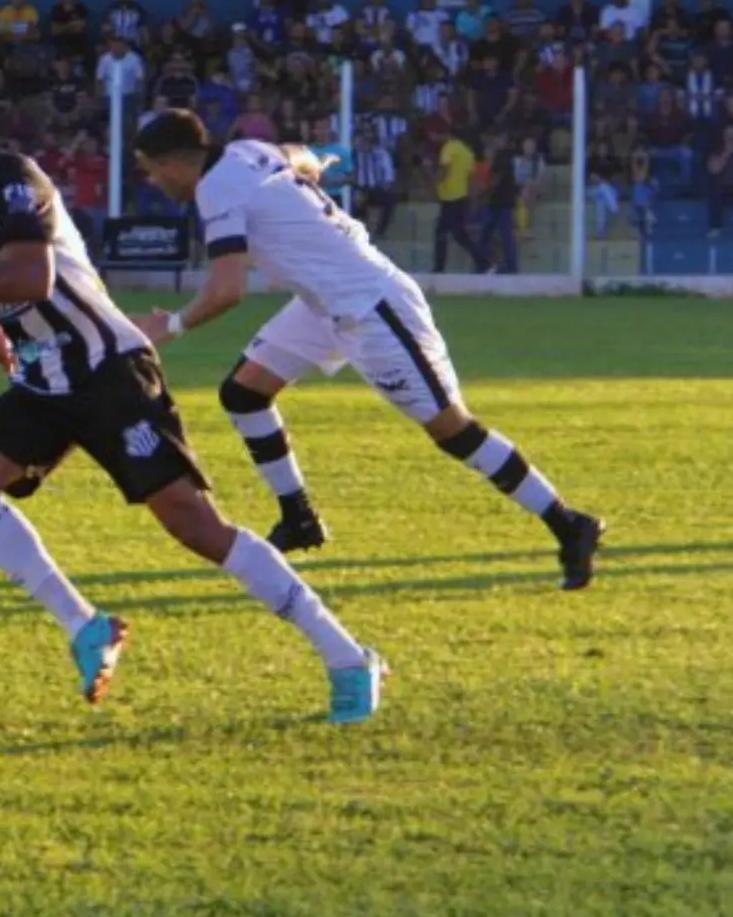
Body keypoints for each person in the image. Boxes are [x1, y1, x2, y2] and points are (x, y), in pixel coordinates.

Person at [0, 93, 386, 724]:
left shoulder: (12, 183)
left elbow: (31, 278)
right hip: (45, 382)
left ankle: (349, 657)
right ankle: (86, 627)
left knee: (195, 526)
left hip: (111, 373)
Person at [129, 110, 605, 591]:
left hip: (370, 306)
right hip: (324, 303)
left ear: (173, 163)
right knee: (244, 393)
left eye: (150, 168)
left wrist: (169, 325)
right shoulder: (248, 151)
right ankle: (299, 517)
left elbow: (227, 290)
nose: (151, 179)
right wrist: (321, 160)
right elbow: (300, 156)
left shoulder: (217, 189)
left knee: (452, 429)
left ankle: (569, 523)